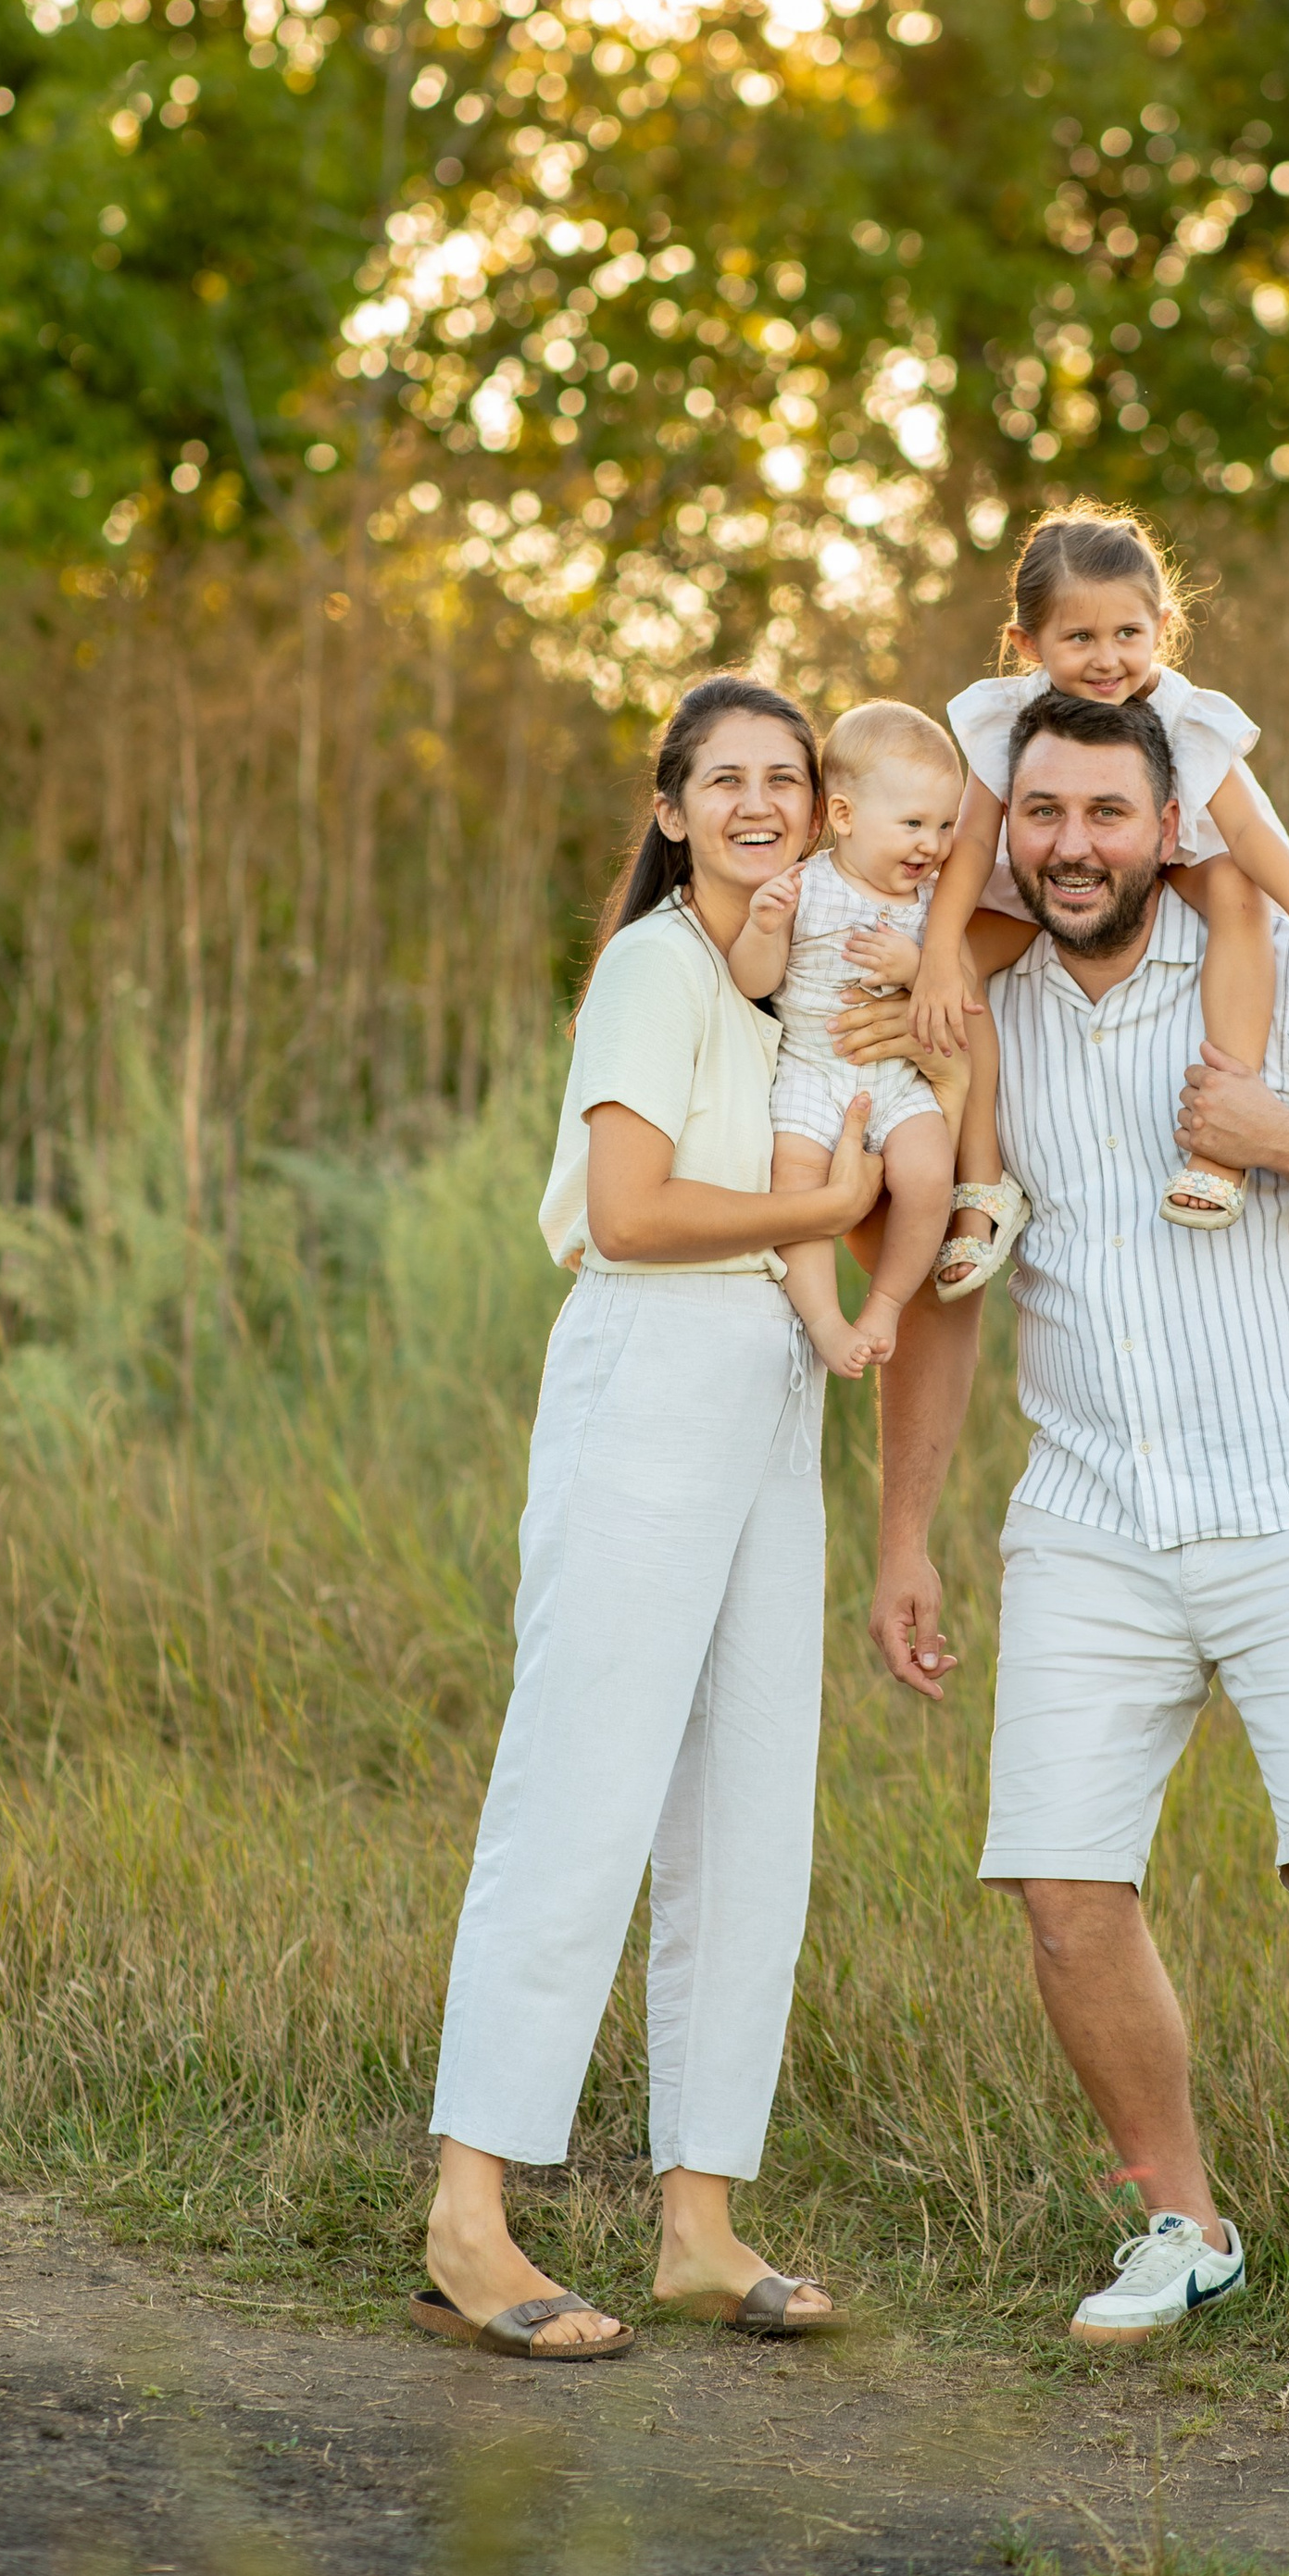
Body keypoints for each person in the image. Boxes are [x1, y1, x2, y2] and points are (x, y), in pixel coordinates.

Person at [844, 686, 1289, 2381]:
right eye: (1040, 813)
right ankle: (1183, 2225)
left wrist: (1281, 1139)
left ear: (1170, 819)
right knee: (1061, 1892)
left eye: (1106, 815)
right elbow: (957, 1293)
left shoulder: (1274, 979)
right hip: (1091, 1518)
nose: (1070, 846)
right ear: (1010, 821)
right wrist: (903, 1539)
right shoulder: (976, 1009)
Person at [416, 675, 883, 2362]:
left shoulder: (802, 999)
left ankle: (700, 2219)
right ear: (673, 810)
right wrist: (824, 1202)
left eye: (793, 778)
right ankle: (470, 2214)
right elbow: (624, 1210)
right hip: (651, 1372)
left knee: (752, 1803)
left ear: (826, 816)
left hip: (767, 1391)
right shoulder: (652, 967)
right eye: (728, 778)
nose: (765, 801)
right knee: (586, 1785)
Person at [908, 505, 1289, 1243]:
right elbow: (971, 843)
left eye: (1128, 634)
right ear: (1026, 643)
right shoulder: (1009, 719)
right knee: (955, 961)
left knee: (1234, 890)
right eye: (1079, 638)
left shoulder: (1184, 716)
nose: (1106, 660)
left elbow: (1248, 831)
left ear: (1163, 624)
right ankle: (985, 1179)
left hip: (1175, 861)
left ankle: (1220, 1148)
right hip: (1047, 877)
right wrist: (938, 957)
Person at [729, 697, 1019, 1377]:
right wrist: (762, 931)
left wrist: (919, 967)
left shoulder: (934, 903)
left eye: (946, 825)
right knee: (795, 1184)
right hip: (811, 1069)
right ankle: (826, 1321)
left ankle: (885, 1303)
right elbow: (755, 982)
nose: (933, 844)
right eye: (914, 823)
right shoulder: (803, 886)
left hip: (897, 1078)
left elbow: (956, 999)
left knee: (926, 1175)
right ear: (845, 816)